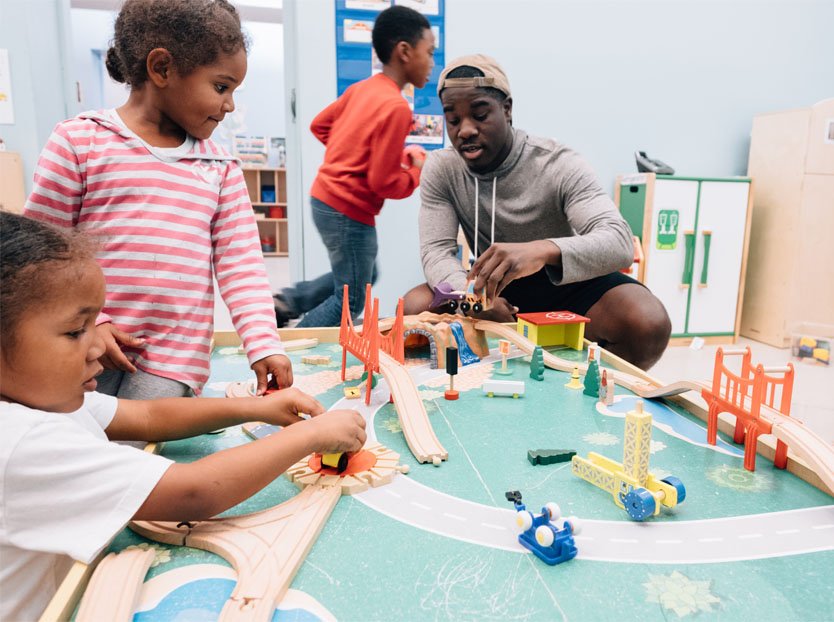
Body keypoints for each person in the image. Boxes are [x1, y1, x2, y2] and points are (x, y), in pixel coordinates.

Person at [0, 212, 367, 622]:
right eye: (75, 332)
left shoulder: (45, 399)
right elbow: (195, 492)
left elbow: (148, 416)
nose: (98, 346)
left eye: (94, 324)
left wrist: (255, 407)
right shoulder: (21, 440)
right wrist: (311, 435)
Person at [24, 0, 291, 399]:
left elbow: (242, 265)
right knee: (78, 433)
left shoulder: (219, 167)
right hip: (84, 344)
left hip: (171, 357)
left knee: (147, 436)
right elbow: (42, 252)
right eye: (221, 87)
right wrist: (93, 323)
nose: (230, 105)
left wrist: (264, 343)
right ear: (162, 68)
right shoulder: (79, 141)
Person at [403, 55, 671, 370]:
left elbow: (619, 242)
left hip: (569, 283)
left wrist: (542, 250)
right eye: (453, 119)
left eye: (480, 115)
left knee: (647, 322)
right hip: (494, 285)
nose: (466, 130)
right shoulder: (442, 168)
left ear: (507, 109)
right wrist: (472, 298)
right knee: (415, 306)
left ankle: (585, 389)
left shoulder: (557, 162)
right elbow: (436, 251)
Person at [273, 4, 435, 328]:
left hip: (324, 199)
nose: (431, 62)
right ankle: (294, 347)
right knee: (350, 299)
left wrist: (352, 156)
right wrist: (416, 171)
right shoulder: (396, 107)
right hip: (349, 211)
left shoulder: (362, 89)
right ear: (404, 52)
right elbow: (383, 182)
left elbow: (320, 126)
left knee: (364, 273)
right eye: (429, 52)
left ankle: (289, 302)